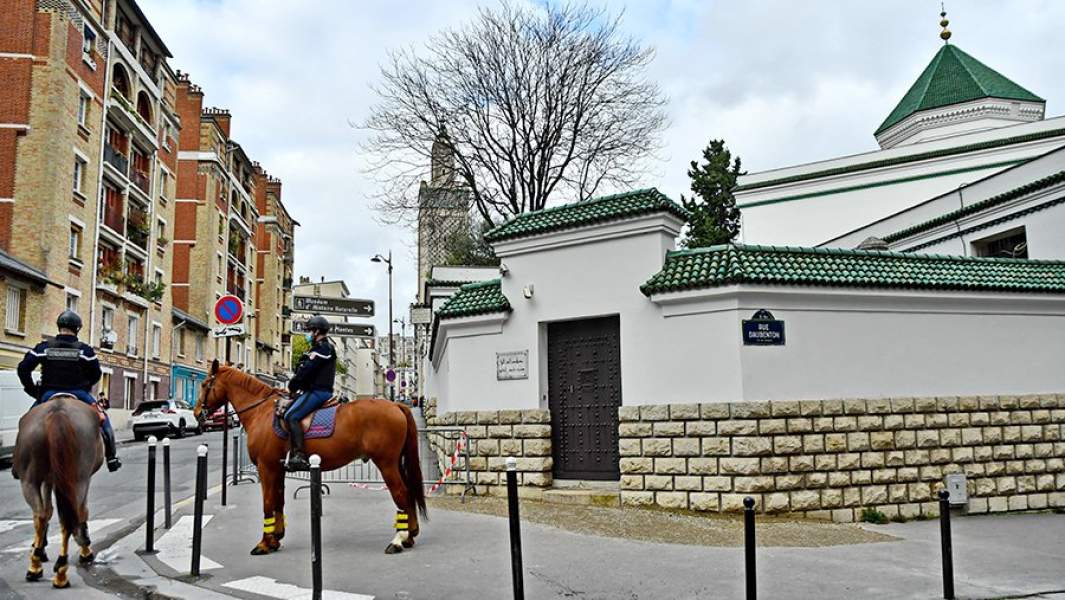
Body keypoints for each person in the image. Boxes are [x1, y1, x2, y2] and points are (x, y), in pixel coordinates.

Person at [16, 311, 121, 475]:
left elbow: (23, 368)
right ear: (77, 329)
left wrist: (33, 390)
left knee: (25, 422)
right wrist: (85, 385)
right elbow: (96, 374)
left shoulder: (43, 347)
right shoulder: (85, 351)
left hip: (48, 393)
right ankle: (112, 457)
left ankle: (19, 461)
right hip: (78, 393)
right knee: (103, 419)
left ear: (60, 327)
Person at [283, 315, 336, 471]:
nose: (308, 334)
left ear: (317, 331)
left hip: (319, 391)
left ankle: (299, 455)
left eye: (310, 330)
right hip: (313, 390)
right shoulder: (317, 348)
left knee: (291, 416)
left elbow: (305, 371)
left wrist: (292, 386)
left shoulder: (323, 348)